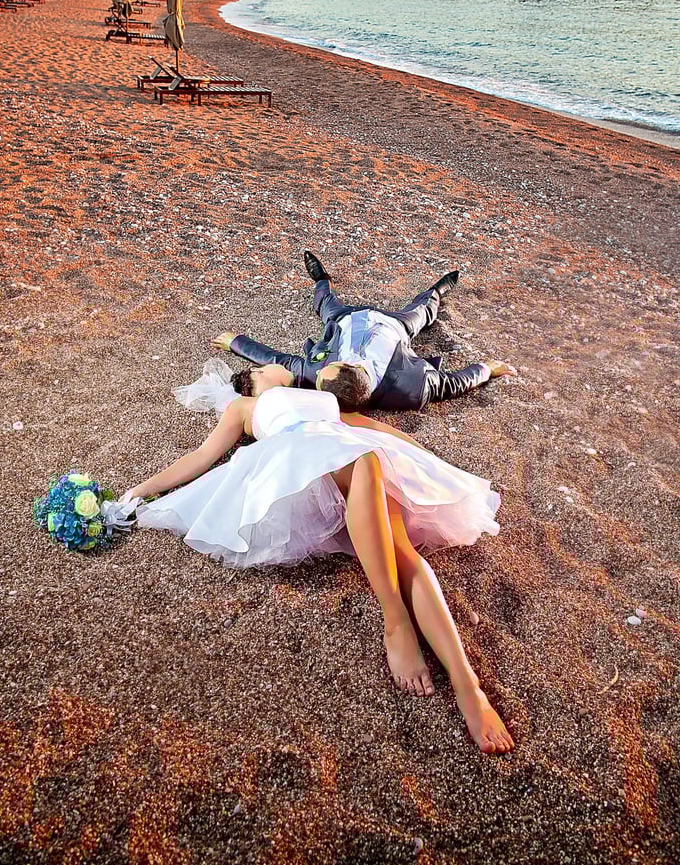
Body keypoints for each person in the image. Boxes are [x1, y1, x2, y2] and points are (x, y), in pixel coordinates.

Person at [122, 365, 515, 755]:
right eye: (274, 365)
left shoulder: (325, 399)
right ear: (257, 375)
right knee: (365, 462)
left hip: (354, 451)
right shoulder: (244, 406)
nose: (286, 366)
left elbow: (381, 432)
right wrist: (142, 489)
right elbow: (202, 455)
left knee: (400, 545)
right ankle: (395, 621)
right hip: (300, 466)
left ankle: (468, 684)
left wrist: (428, 464)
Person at [212, 251, 516, 412]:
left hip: (346, 319)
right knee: (423, 312)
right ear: (352, 367)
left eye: (325, 365)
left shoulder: (320, 373)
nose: (321, 364)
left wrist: (235, 342)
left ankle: (321, 280)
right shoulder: (410, 389)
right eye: (328, 365)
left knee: (326, 305)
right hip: (395, 327)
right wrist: (488, 369)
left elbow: (275, 358)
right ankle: (437, 289)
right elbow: (455, 384)